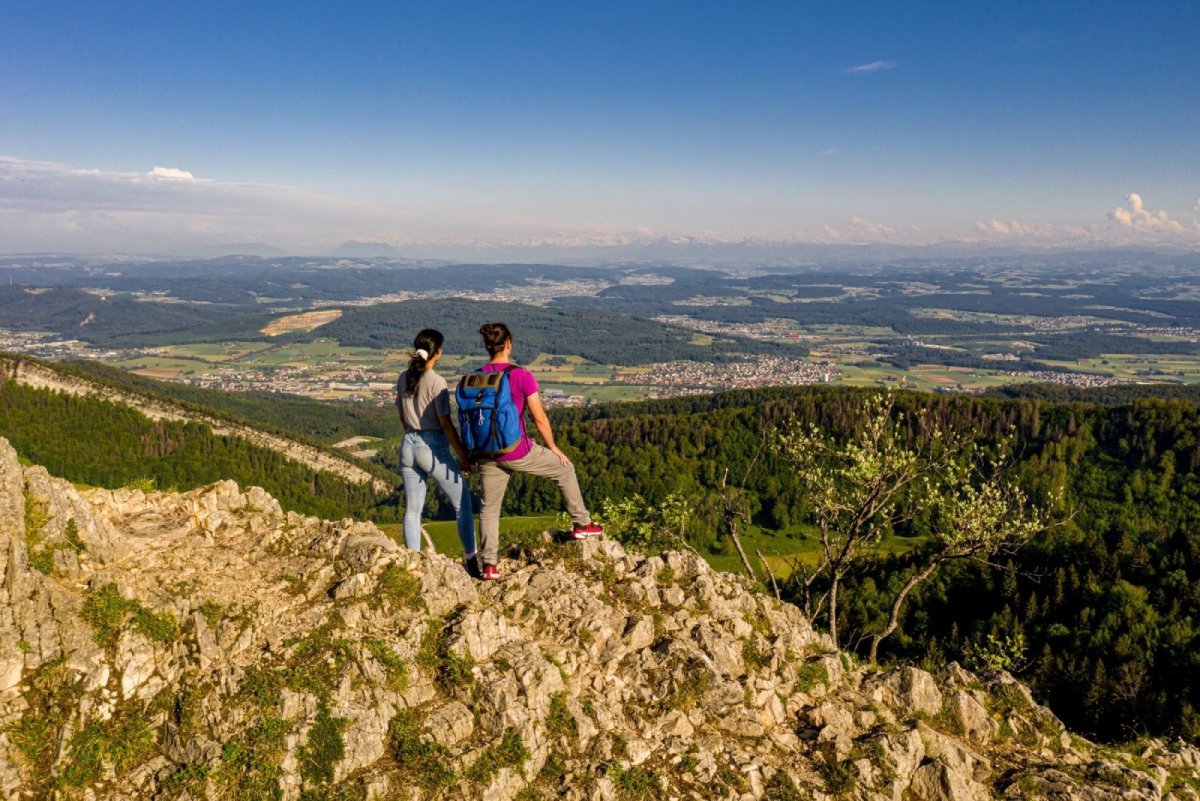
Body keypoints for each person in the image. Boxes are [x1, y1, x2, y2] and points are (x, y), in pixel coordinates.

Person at [470, 322, 602, 580]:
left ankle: (489, 565)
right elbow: (539, 418)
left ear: (488, 347)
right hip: (517, 450)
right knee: (565, 469)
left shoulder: (474, 377)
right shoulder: (521, 375)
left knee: (489, 508)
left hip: (486, 452)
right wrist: (553, 448)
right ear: (508, 344)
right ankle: (582, 524)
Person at [396, 328, 480, 578]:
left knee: (413, 510)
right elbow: (445, 423)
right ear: (439, 351)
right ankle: (472, 561)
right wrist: (463, 456)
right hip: (431, 445)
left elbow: (401, 415)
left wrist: (412, 434)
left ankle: (413, 565)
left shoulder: (403, 377)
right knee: (462, 504)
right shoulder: (437, 382)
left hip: (408, 442)